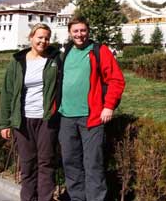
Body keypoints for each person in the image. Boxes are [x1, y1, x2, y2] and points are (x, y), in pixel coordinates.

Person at [58, 16, 125, 201]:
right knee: (70, 162)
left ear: (88, 31)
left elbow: (116, 80)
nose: (79, 34)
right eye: (75, 31)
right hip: (66, 117)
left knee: (93, 164)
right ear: (70, 33)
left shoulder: (99, 51)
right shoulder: (67, 52)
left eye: (83, 30)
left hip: (91, 118)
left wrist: (108, 106)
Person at [0, 23, 62, 201]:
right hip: (23, 120)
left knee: (46, 163)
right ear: (31, 38)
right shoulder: (17, 62)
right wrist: (5, 122)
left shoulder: (56, 59)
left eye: (47, 38)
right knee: (27, 164)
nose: (43, 41)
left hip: (46, 120)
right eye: (40, 37)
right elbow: (7, 92)